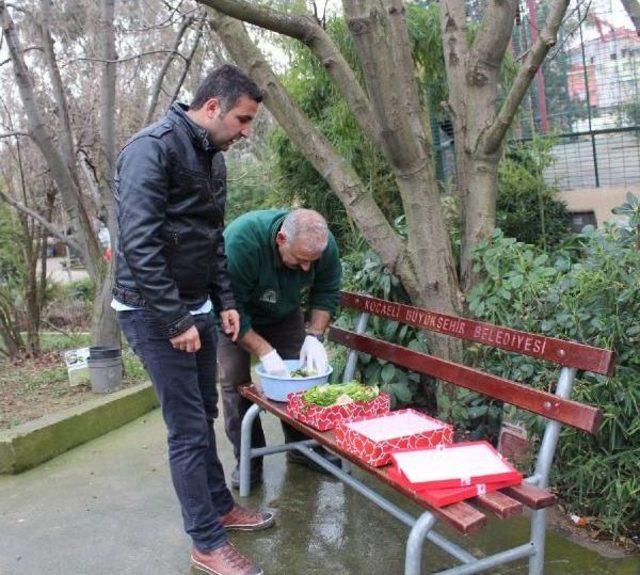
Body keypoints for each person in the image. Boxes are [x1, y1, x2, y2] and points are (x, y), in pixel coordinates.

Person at [113, 64, 272, 575]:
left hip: (199, 309)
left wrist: (224, 299)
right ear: (211, 109)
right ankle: (206, 542)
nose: (246, 132)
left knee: (201, 417)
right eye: (243, 120)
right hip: (155, 312)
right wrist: (174, 318)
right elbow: (138, 244)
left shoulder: (212, 159)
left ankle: (220, 508)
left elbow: (211, 238)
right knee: (186, 430)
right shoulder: (149, 150)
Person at [217, 208, 342, 488]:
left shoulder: (322, 245)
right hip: (235, 314)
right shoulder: (242, 242)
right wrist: (264, 350)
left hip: (283, 313)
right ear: (281, 239)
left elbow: (326, 290)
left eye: (313, 261)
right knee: (235, 384)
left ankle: (304, 448)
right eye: (300, 260)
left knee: (301, 383)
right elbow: (227, 306)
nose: (307, 268)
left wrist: (314, 335)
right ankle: (249, 458)